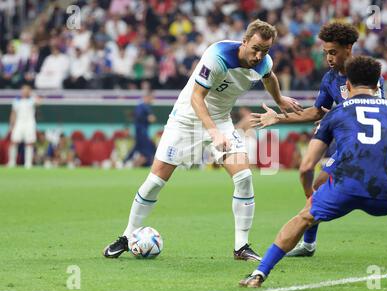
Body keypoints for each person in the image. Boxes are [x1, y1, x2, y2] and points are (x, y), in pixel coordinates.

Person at [103, 19, 302, 260]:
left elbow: (269, 77)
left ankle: (241, 246)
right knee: (155, 181)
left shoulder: (263, 62)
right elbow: (197, 98)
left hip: (220, 120)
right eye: (256, 48)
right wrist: (214, 133)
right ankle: (126, 237)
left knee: (244, 177)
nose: (259, 55)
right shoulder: (217, 55)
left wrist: (279, 100)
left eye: (265, 50)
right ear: (245, 41)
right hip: (186, 119)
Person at [239, 56, 387, 288]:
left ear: (348, 85)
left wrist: (310, 195)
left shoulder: (335, 113)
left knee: (304, 217)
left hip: (342, 188)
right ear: (377, 86)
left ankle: (260, 273)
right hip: (383, 191)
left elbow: (306, 166)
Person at [8, 84, 42, 169]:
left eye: (27, 90)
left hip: (29, 123)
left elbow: (39, 102)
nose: (25, 92)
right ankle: (12, 162)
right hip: (19, 123)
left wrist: (32, 94)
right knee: (14, 142)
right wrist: (11, 125)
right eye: (23, 90)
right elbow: (13, 113)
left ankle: (28, 163)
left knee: (29, 143)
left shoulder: (32, 100)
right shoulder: (16, 100)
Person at [125, 90, 157, 167]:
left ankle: (126, 162)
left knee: (138, 148)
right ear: (146, 97)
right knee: (148, 149)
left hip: (141, 132)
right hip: (141, 132)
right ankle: (127, 162)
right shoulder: (143, 106)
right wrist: (148, 118)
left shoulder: (142, 106)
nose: (152, 100)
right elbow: (151, 118)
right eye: (151, 98)